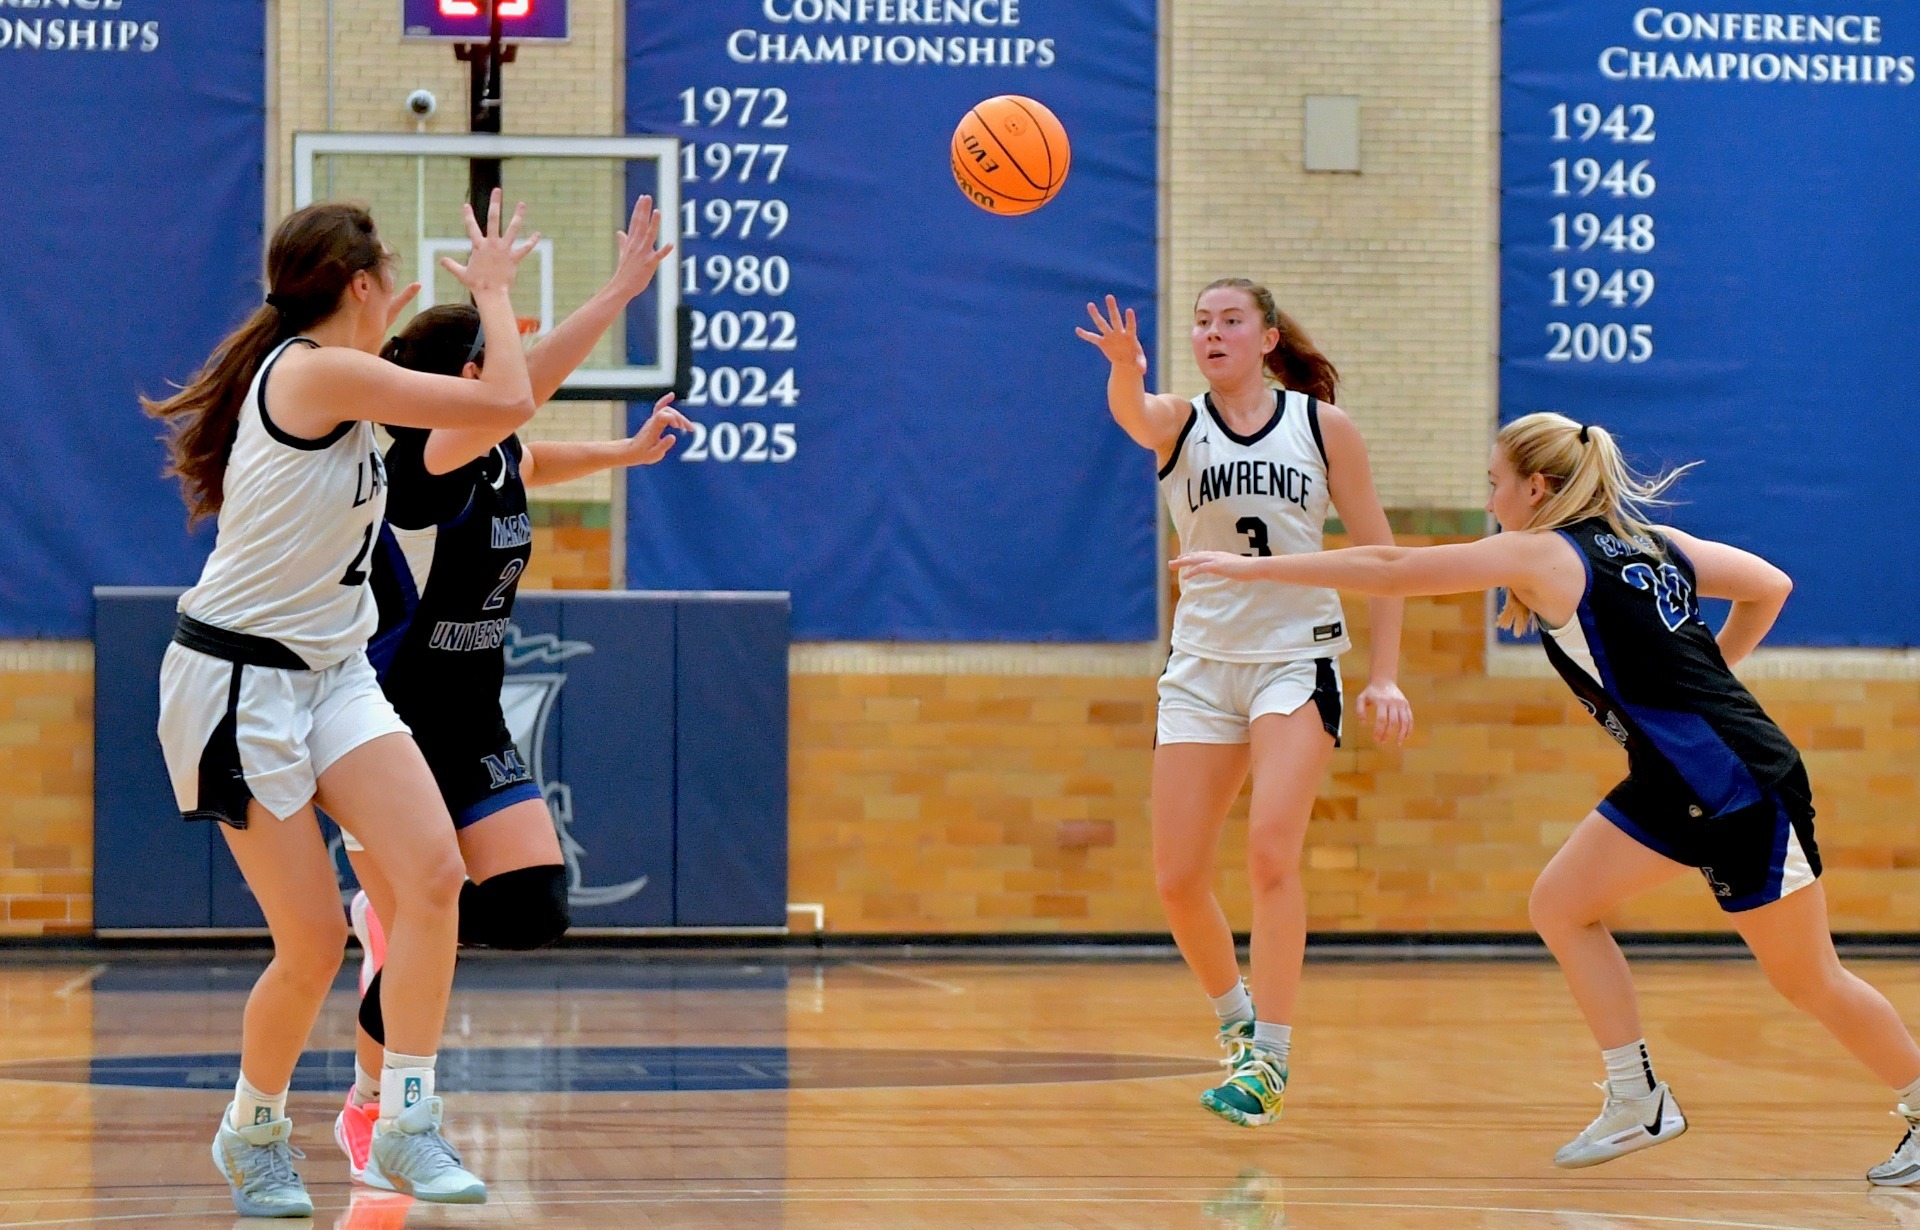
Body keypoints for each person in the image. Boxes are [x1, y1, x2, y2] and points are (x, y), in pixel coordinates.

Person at [1172, 410, 1920, 1180]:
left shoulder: (1545, 553)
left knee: (1808, 978)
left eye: (1494, 482)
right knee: (1560, 904)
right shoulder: (1653, 542)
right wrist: (1709, 683)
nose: (1490, 499)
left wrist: (1254, 570)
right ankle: (1638, 1098)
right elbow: (1769, 586)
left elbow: (1394, 567)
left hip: (1736, 784)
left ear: (1535, 487)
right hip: (1679, 778)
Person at [146, 192, 540, 1215]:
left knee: (437, 878)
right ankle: (252, 1130)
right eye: (387, 276)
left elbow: (497, 413)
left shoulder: (347, 376)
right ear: (362, 285)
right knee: (314, 943)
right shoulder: (315, 373)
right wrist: (494, 293)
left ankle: (405, 1121)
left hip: (333, 671)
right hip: (239, 681)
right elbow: (506, 396)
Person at [331, 196, 686, 1182]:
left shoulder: (491, 448)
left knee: (531, 909)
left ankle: (394, 937)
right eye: (501, 356)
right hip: (393, 723)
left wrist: (621, 448)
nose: (518, 368)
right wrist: (531, 292)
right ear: (465, 381)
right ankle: (368, 1105)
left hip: (472, 713)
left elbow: (532, 446)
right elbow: (520, 404)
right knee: (433, 920)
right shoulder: (422, 460)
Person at [1076, 281, 1413, 1127]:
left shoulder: (1323, 428)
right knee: (1178, 879)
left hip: (1294, 660)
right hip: (1201, 668)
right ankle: (1236, 1020)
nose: (1212, 333)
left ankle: (1272, 1057)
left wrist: (1385, 675)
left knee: (1270, 852)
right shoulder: (1179, 422)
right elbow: (1134, 415)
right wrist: (1124, 369)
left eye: (1231, 321)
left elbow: (1383, 558)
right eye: (1202, 322)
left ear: (1267, 339)